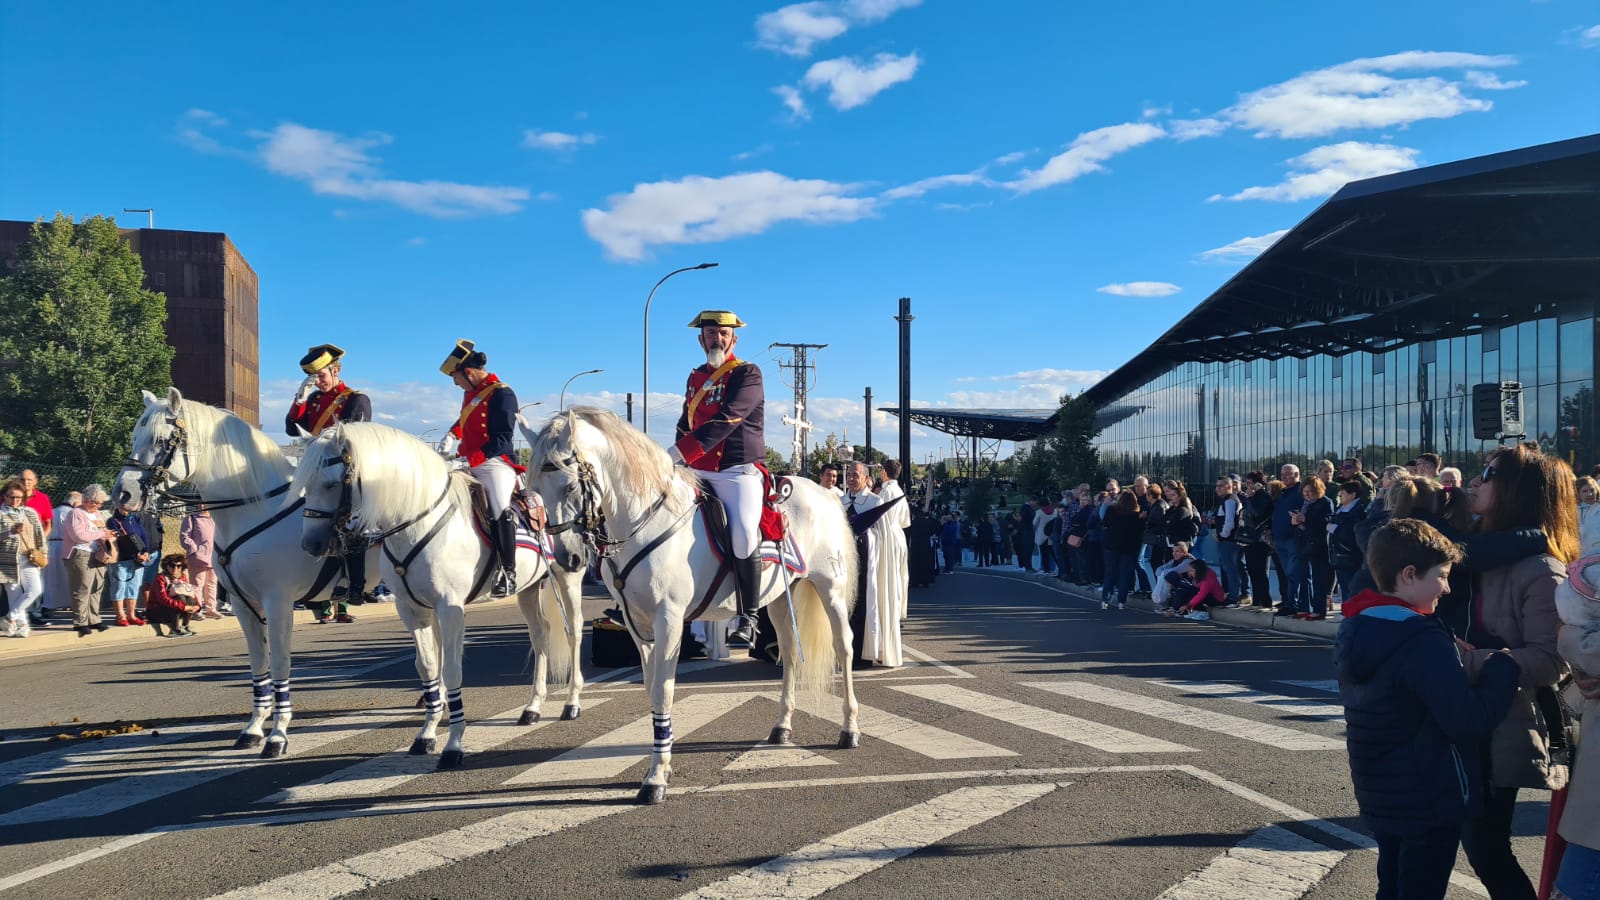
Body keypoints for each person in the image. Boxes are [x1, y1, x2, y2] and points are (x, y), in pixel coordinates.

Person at [1335, 518, 1521, 900]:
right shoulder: (1421, 640)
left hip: (1383, 794)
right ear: (1408, 575)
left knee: (1392, 884)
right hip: (1430, 795)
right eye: (1442, 575)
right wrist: (1502, 668)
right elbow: (1467, 720)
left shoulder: (1358, 626)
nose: (1448, 587)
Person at [1458, 445, 1577, 899]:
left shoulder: (1540, 568)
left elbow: (1553, 659)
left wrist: (1471, 660)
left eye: (1487, 474)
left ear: (1518, 493)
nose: (1474, 481)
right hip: (1459, 713)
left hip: (1500, 721)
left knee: (1486, 846)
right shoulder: (1478, 550)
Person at [671, 311, 767, 645]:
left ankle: (749, 615)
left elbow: (728, 420)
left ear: (734, 339)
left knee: (742, 534)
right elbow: (687, 421)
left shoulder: (747, 374)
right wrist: (672, 455)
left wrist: (680, 452)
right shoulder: (695, 376)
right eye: (710, 333)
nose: (717, 338)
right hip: (697, 469)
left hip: (735, 470)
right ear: (701, 340)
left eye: (723, 333)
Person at [287, 343, 374, 617]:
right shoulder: (313, 400)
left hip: (347, 471)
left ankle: (356, 582)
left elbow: (353, 439)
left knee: (353, 522)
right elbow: (292, 428)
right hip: (317, 468)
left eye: (321, 376)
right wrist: (299, 399)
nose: (318, 382)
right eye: (313, 379)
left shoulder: (355, 399)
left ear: (336, 370)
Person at [441, 338, 523, 600]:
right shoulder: (471, 393)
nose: (455, 384)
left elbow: (502, 438)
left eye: (456, 378)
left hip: (494, 463)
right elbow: (466, 420)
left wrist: (471, 461)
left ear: (469, 372)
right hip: (467, 460)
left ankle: (508, 571)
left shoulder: (503, 393)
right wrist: (452, 435)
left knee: (499, 507)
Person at [845, 461, 902, 668]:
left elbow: (883, 537)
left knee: (863, 608)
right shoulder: (840, 501)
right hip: (843, 566)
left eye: (856, 475)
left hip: (867, 564)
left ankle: (863, 652)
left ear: (865, 477)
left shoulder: (875, 502)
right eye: (849, 474)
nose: (851, 478)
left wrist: (863, 534)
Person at [61, 484, 111, 637]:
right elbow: (79, 536)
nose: (99, 506)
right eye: (97, 503)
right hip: (80, 553)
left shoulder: (97, 515)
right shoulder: (75, 513)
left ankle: (94, 618)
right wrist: (101, 533)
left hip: (97, 553)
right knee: (82, 588)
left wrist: (107, 535)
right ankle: (80, 621)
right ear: (88, 500)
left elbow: (100, 532)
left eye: (101, 503)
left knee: (97, 587)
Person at [1, 479, 47, 638]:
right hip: (7, 560)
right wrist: (11, 533)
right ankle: (22, 626)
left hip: (29, 557)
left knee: (35, 590)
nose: (15, 500)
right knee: (14, 593)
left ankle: (10, 617)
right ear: (4, 497)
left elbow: (39, 535)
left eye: (19, 497)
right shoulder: (1, 514)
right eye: (11, 497)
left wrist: (44, 554)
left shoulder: (30, 513)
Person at [874, 460, 911, 625]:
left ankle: (889, 611)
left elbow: (877, 518)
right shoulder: (899, 491)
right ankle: (898, 609)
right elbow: (905, 521)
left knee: (888, 575)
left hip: (886, 535)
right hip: (899, 535)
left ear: (883, 472)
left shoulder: (885, 492)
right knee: (899, 574)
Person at [1293, 477, 1335, 620]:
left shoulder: (1325, 502)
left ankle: (1319, 609)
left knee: (1319, 579)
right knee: (1302, 576)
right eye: (1304, 491)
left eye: (1310, 492)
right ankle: (1304, 606)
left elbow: (1326, 522)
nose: (1307, 494)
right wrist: (1295, 520)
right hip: (1303, 542)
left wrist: (1306, 520)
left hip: (1318, 545)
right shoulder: (1305, 503)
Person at [106, 500, 151, 627]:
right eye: (123, 506)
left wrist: (146, 552)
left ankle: (131, 615)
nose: (126, 508)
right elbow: (118, 541)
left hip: (137, 560)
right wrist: (136, 554)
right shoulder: (113, 521)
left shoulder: (135, 519)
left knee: (133, 587)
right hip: (121, 560)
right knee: (119, 587)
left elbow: (144, 536)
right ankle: (120, 616)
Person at [1272, 464, 1308, 614]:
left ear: (1297, 474)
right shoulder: (1282, 493)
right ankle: (1289, 601)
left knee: (1294, 573)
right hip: (1279, 539)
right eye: (1282, 474)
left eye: (1288, 474)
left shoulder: (1301, 492)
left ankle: (1293, 604)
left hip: (1293, 538)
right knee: (1288, 573)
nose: (1284, 477)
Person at [1101, 489, 1142, 611]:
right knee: (1124, 574)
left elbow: (1105, 523)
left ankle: (1105, 599)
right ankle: (1121, 602)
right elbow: (1139, 530)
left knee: (1110, 572)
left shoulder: (1112, 510)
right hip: (1129, 547)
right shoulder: (1136, 514)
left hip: (1112, 546)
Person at [41, 491, 80, 623]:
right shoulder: (71, 513)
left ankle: (48, 605)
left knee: (50, 578)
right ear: (75, 502)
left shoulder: (52, 511)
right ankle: (69, 603)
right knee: (66, 577)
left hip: (50, 545)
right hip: (65, 545)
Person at [180, 504, 222, 619]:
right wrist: (194, 550)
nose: (202, 505)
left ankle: (211, 609)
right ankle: (196, 610)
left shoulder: (215, 518)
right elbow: (184, 537)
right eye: (200, 503)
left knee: (212, 584)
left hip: (213, 557)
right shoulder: (191, 518)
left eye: (205, 503)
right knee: (197, 585)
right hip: (198, 558)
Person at [145, 554, 200, 637]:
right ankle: (175, 629)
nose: (175, 568)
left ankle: (185, 626)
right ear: (166, 566)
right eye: (172, 565)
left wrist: (197, 606)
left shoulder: (182, 577)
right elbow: (162, 599)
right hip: (156, 611)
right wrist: (184, 607)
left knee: (190, 599)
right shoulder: (160, 578)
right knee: (180, 598)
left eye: (179, 566)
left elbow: (190, 592)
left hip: (172, 610)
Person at [1212, 477, 1244, 605]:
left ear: (1229, 486)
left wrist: (1222, 535)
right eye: (1217, 486)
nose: (1217, 489)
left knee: (1230, 568)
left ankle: (1233, 596)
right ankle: (1232, 594)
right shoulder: (1227, 500)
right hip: (1228, 540)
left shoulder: (1230, 501)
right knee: (1229, 568)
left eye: (1221, 486)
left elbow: (1229, 522)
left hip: (1229, 541)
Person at [1579, 475, 1600, 557]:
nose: (1590, 494)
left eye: (1592, 490)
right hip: (1580, 561)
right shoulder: (1572, 512)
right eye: (1585, 491)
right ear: (1577, 493)